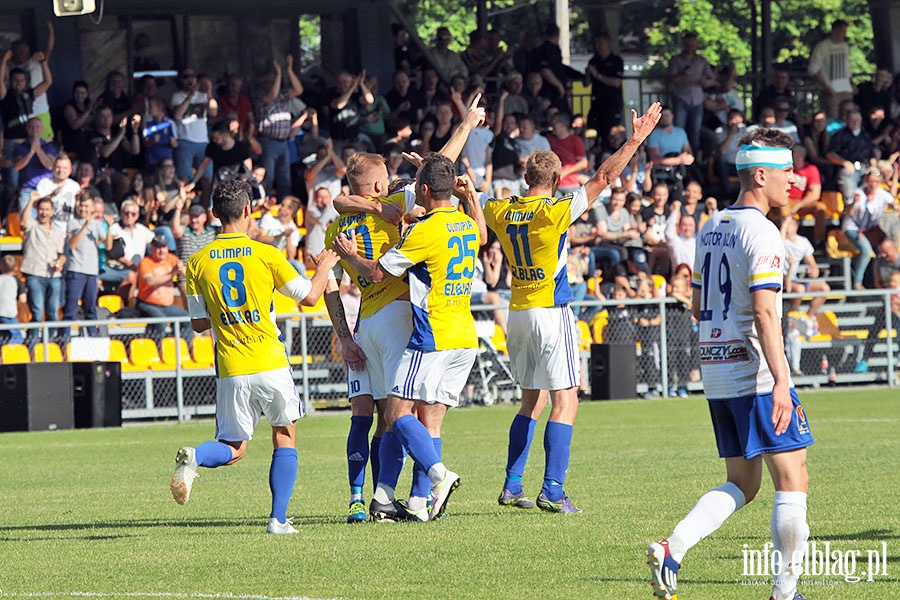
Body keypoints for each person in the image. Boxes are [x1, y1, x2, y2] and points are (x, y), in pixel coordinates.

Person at [647, 129, 813, 600]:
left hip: (718, 369)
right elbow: (764, 310)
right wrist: (782, 380)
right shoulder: (762, 232)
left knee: (743, 481)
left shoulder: (712, 225)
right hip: (756, 371)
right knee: (793, 474)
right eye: (786, 172)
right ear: (760, 175)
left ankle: (672, 547)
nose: (794, 181)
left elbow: (698, 304)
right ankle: (785, 592)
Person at [482, 102, 662, 513]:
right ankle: (553, 488)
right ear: (557, 178)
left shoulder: (500, 209)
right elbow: (604, 176)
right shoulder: (557, 210)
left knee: (532, 400)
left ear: (526, 178)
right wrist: (635, 139)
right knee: (567, 399)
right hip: (552, 309)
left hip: (518, 311)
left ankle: (512, 484)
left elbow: (471, 196)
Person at [325, 95, 486, 523]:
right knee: (405, 414)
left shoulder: (338, 224)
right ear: (381, 185)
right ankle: (430, 480)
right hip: (403, 315)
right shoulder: (399, 207)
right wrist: (466, 127)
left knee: (381, 416)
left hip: (364, 324)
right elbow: (440, 175)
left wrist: (343, 335)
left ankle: (376, 499)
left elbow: (326, 284)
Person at [170, 179, 340, 534]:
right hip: (269, 361)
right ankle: (278, 519)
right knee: (285, 435)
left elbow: (200, 323)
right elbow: (309, 297)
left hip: (231, 366)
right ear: (248, 211)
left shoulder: (197, 263)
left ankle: (196, 456)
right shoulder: (266, 254)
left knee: (233, 447)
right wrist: (324, 266)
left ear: (214, 214)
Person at [61, 192, 112, 343]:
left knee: (90, 308)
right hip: (76, 270)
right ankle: (65, 339)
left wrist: (109, 228)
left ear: (91, 208)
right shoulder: (72, 223)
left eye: (86, 206)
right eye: (81, 206)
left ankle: (93, 338)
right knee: (71, 308)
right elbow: (72, 245)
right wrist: (85, 226)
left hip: (91, 271)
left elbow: (108, 246)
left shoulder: (96, 225)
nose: (83, 209)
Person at [19, 192, 66, 345]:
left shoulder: (58, 232)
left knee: (53, 312)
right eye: (41, 209)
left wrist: (60, 261)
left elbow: (62, 254)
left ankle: (50, 344)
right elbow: (23, 222)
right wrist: (31, 200)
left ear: (52, 212)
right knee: (37, 312)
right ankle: (32, 345)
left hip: (53, 276)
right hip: (35, 274)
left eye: (47, 209)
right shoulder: (32, 225)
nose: (44, 212)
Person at [135, 233, 193, 343]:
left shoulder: (172, 259)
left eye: (163, 247)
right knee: (161, 321)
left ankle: (182, 348)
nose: (161, 250)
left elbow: (187, 274)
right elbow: (150, 281)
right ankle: (154, 350)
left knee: (187, 319)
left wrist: (181, 269)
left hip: (167, 306)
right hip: (147, 304)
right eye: (157, 247)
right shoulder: (145, 263)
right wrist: (172, 274)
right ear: (152, 248)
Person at [666, 32, 716, 155]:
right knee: (679, 129)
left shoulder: (702, 61)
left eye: (693, 44)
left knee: (695, 131)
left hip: (697, 100)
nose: (690, 46)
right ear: (684, 44)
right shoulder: (676, 60)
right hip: (681, 98)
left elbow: (712, 80)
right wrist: (683, 74)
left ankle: (693, 161)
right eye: (688, 44)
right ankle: (677, 157)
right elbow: (669, 80)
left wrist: (705, 82)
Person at [782, 217, 830, 325]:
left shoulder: (803, 242)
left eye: (788, 224)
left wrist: (814, 269)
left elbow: (812, 263)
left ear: (795, 227)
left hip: (794, 279)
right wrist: (784, 225)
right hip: (782, 279)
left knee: (824, 288)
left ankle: (809, 317)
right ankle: (793, 315)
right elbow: (780, 240)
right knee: (800, 289)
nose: (785, 227)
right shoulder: (781, 241)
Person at [808, 19, 853, 118]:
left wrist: (852, 83)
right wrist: (827, 88)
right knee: (833, 120)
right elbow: (813, 70)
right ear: (835, 31)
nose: (844, 35)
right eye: (843, 31)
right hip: (832, 91)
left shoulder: (845, 46)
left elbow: (848, 68)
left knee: (849, 118)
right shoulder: (822, 46)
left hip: (847, 90)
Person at [585, 33, 624, 139]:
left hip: (612, 103)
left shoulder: (616, 61)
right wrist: (589, 73)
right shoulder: (593, 61)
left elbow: (617, 82)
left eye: (600, 43)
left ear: (608, 43)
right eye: (596, 43)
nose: (598, 46)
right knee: (592, 131)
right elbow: (586, 83)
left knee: (610, 133)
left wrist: (598, 75)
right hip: (596, 103)